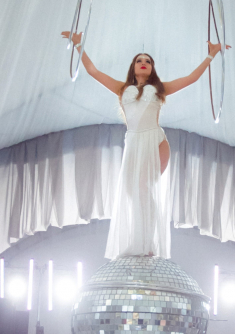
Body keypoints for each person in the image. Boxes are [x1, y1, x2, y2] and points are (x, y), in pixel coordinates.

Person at [61, 36, 225, 259]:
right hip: (134, 144)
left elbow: (191, 78)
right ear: (133, 67)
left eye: (148, 61)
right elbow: (93, 71)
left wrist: (211, 54)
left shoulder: (160, 89)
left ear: (152, 68)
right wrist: (79, 44)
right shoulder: (122, 89)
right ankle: (140, 241)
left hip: (155, 141)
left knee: (143, 188)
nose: (144, 62)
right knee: (134, 192)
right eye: (139, 60)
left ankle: (147, 243)